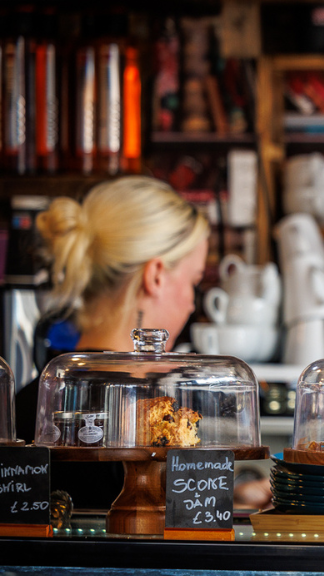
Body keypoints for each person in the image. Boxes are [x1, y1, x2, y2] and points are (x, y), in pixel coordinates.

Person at [14, 176, 209, 508]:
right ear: (156, 275)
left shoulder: (28, 403)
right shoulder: (157, 414)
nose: (192, 304)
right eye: (193, 281)